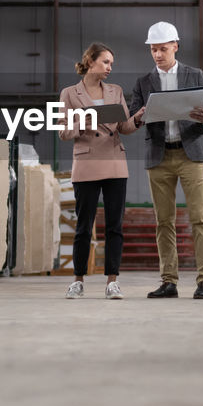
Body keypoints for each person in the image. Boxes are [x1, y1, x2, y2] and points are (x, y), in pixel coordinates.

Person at [128, 22, 203, 299]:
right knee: (163, 221)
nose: (157, 54)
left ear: (175, 46)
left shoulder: (195, 75)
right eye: (153, 50)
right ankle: (169, 281)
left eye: (163, 49)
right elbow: (132, 118)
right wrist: (140, 115)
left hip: (191, 155)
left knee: (200, 218)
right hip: (159, 156)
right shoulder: (143, 83)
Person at [58, 42, 143, 300]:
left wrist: (138, 118)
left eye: (111, 64)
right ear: (90, 61)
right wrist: (82, 121)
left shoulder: (115, 91)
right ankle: (78, 280)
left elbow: (124, 127)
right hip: (86, 163)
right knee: (84, 226)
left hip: (115, 163)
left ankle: (112, 282)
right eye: (105, 62)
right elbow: (62, 132)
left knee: (115, 226)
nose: (109, 68)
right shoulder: (70, 93)